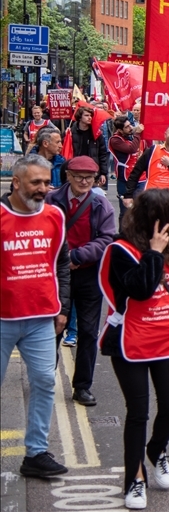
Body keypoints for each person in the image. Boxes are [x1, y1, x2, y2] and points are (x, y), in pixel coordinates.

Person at [98, 188, 169, 509]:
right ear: (157, 219)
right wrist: (153, 254)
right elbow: (139, 291)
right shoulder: (120, 250)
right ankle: (135, 479)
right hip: (130, 341)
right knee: (138, 413)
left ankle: (157, 450)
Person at [1, 155, 71, 478]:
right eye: (36, 183)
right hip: (2, 318)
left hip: (42, 317)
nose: (44, 189)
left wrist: (63, 307)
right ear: (16, 183)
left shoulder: (55, 216)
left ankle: (36, 453)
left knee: (45, 381)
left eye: (47, 182)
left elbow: (61, 265)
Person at [44, 156, 116, 407]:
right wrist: (64, 259)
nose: (84, 181)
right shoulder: (51, 201)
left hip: (88, 274)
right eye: (78, 177)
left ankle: (82, 386)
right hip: (57, 274)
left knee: (87, 331)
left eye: (89, 178)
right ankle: (45, 381)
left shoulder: (100, 204)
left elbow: (107, 239)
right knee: (53, 328)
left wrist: (77, 256)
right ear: (68, 176)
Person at [124, 125, 169, 207]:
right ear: (165, 135)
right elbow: (135, 173)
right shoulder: (152, 150)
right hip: (152, 200)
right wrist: (128, 195)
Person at [108, 115, 144, 226]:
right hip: (125, 178)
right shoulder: (115, 140)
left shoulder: (131, 136)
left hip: (139, 177)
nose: (131, 128)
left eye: (130, 125)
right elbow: (131, 149)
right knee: (125, 210)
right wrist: (138, 133)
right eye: (127, 127)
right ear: (120, 130)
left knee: (140, 209)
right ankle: (123, 235)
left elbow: (140, 148)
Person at [65, 105, 109, 187]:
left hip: (92, 170)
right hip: (76, 170)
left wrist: (103, 173)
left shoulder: (96, 134)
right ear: (80, 117)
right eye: (86, 115)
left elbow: (102, 155)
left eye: (90, 115)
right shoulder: (71, 133)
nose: (90, 118)